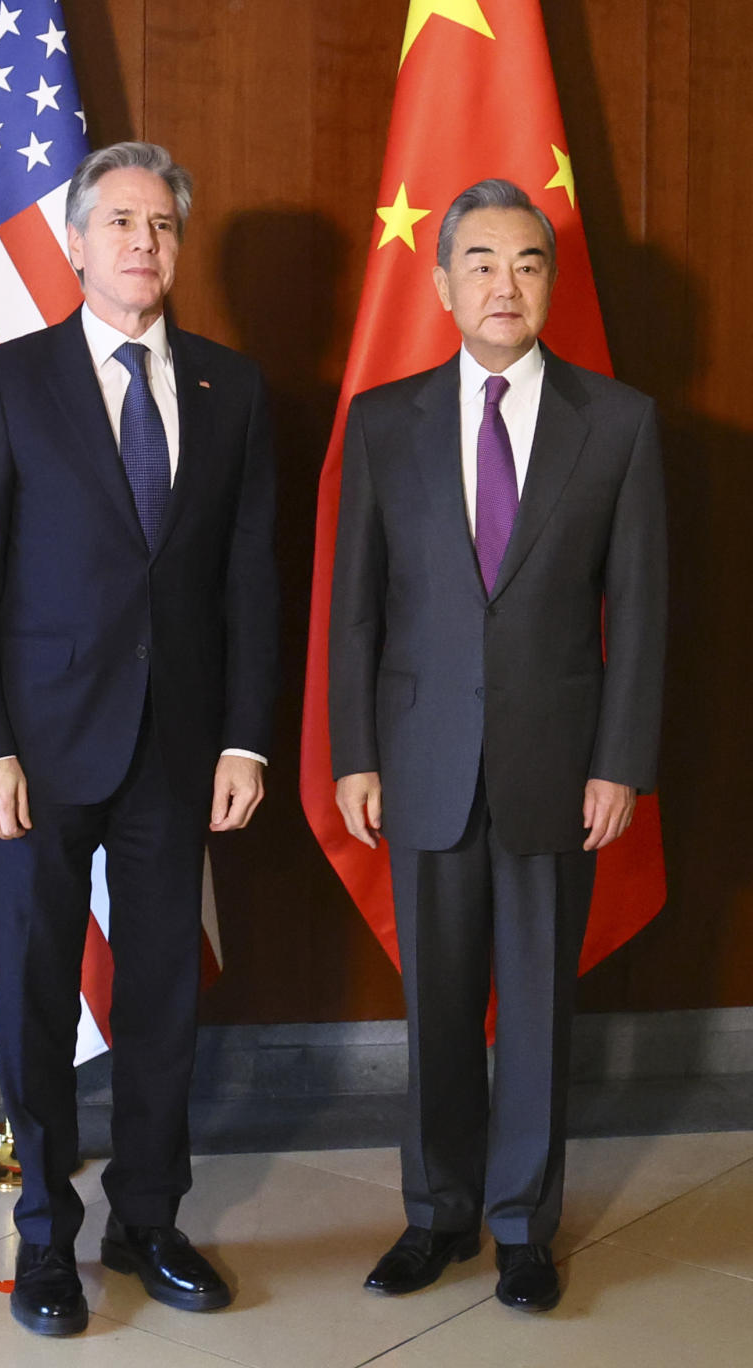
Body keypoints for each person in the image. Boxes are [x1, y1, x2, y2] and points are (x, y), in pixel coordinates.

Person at [0, 141, 278, 1337]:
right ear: (76, 243)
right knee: (34, 994)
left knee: (165, 996)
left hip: (178, 753)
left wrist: (247, 739)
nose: (144, 241)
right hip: (31, 757)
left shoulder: (229, 390)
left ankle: (149, 1219)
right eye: (121, 221)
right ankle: (45, 1243)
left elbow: (249, 583)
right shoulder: (9, 381)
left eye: (163, 225)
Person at [329, 179, 666, 1313]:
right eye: (479, 263)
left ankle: (523, 1226)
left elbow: (643, 607)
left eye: (526, 263)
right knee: (435, 1005)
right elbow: (357, 609)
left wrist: (620, 759)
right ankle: (436, 1216)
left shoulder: (617, 421)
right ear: (440, 284)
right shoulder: (384, 420)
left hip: (557, 766)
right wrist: (354, 753)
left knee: (534, 1007)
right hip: (420, 759)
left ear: (550, 283)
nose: (502, 284)